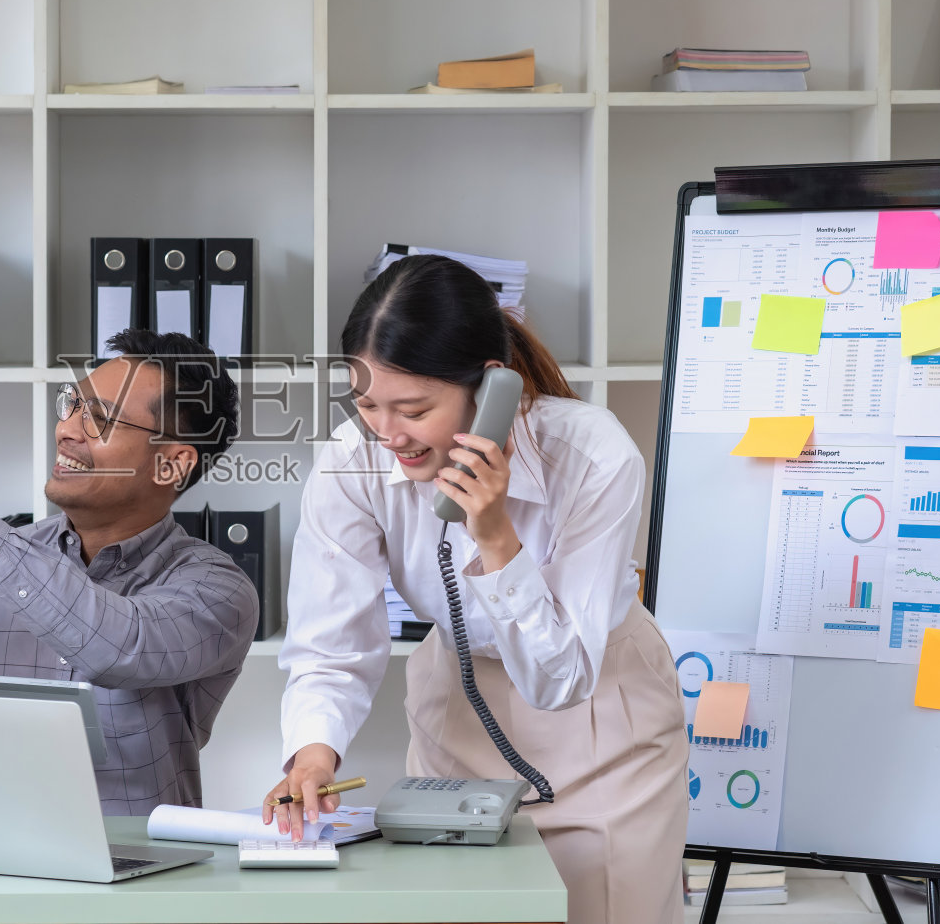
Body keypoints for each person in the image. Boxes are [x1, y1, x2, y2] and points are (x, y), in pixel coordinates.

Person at [264, 255, 688, 923]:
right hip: (457, 725)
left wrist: (494, 536)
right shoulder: (352, 463)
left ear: (490, 388)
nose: (386, 433)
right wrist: (313, 754)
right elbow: (330, 644)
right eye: (367, 403)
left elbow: (561, 679)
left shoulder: (593, 457)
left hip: (600, 723)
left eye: (414, 409)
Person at [0, 329, 260, 814]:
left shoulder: (217, 591)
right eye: (72, 405)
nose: (67, 428)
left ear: (172, 465)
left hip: (142, 875)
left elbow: (118, 649)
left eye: (100, 419)